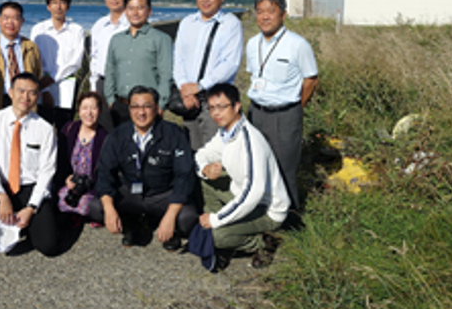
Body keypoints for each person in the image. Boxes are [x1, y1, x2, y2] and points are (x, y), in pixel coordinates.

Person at [242, 0, 316, 230]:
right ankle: (262, 215)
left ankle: (290, 221)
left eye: (270, 11)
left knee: (284, 169)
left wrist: (294, 107)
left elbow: (311, 80)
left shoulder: (298, 45)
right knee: (257, 165)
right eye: (260, 11)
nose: (265, 16)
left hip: (285, 114)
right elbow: (255, 76)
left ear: (283, 14)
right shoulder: (252, 44)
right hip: (256, 112)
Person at [192, 83, 288, 270]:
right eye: (212, 108)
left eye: (222, 107)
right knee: (207, 181)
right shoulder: (226, 133)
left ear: (236, 107)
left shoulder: (250, 141)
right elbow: (202, 154)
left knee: (218, 236)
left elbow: (253, 193)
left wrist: (216, 220)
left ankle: (264, 242)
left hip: (267, 210)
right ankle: (226, 232)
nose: (216, 113)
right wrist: (205, 168)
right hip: (243, 198)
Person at [0, 73, 64, 256]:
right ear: (11, 92)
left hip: (29, 187)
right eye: (21, 91)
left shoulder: (44, 129)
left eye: (32, 93)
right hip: (0, 186)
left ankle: (24, 227)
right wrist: (2, 197)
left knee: (48, 246)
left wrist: (31, 207)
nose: (26, 97)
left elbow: (47, 172)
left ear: (37, 96)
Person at [94, 86, 199, 250]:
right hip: (131, 192)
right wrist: (109, 209)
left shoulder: (174, 133)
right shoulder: (117, 135)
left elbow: (184, 175)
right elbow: (104, 173)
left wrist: (171, 215)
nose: (141, 112)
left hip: (163, 194)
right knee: (96, 208)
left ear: (156, 108)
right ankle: (130, 223)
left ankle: (171, 229)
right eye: (135, 106)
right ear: (129, 109)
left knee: (188, 219)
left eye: (147, 106)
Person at [172, 0, 242, 144]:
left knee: (216, 148)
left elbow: (230, 63)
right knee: (192, 147)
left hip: (217, 99)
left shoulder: (230, 24)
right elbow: (178, 58)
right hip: (189, 100)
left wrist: (200, 86)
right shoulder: (187, 23)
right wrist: (184, 88)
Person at [101, 0, 173, 130]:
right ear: (125, 11)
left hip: (147, 107)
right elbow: (110, 71)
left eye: (140, 8)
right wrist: (111, 101)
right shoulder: (116, 40)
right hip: (120, 105)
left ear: (149, 11)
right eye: (131, 8)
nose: (135, 12)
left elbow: (166, 75)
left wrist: (161, 105)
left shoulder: (161, 39)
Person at [29, 0, 88, 124]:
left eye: (62, 2)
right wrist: (45, 87)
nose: (58, 7)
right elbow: (34, 59)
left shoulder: (76, 30)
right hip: (43, 86)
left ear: (68, 6)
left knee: (65, 127)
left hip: (67, 86)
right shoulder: (38, 30)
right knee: (42, 126)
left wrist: (52, 79)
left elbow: (75, 62)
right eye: (54, 2)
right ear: (48, 6)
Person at [0, 1, 42, 118]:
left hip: (24, 101)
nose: (10, 22)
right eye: (6, 18)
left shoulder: (31, 47)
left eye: (15, 18)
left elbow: (38, 75)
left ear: (22, 21)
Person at [53, 92, 108, 229]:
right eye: (85, 108)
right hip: (70, 182)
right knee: (60, 198)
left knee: (88, 205)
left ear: (100, 111)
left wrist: (90, 184)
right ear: (78, 110)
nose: (89, 113)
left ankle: (79, 215)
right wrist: (67, 178)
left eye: (93, 108)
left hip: (92, 186)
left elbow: (106, 171)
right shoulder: (69, 129)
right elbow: (60, 160)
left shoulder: (105, 136)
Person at [85, 0, 132, 127]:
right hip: (103, 83)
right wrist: (94, 86)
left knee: (127, 129)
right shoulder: (99, 25)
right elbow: (94, 57)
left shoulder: (133, 24)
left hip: (127, 83)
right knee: (105, 129)